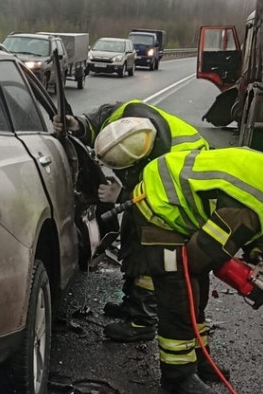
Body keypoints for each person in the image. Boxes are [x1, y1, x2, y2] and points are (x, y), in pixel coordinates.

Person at [92, 126, 263, 394]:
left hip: (164, 184)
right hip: (159, 212)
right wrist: (235, 270)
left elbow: (247, 205)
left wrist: (256, 250)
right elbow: (200, 255)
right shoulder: (255, 207)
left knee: (195, 288)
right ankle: (177, 375)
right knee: (179, 292)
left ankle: (200, 359)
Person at [53, 101, 209, 342]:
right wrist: (80, 124)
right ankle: (131, 302)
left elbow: (159, 197)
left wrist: (122, 196)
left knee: (149, 248)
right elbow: (100, 119)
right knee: (132, 235)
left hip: (182, 194)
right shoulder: (124, 117)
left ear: (138, 160)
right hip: (159, 183)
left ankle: (142, 321)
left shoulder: (165, 159)